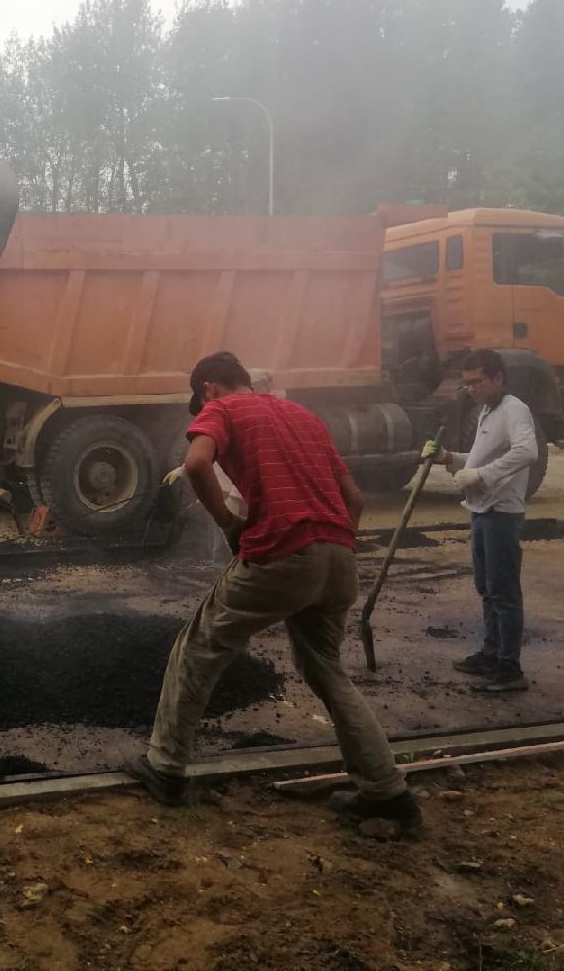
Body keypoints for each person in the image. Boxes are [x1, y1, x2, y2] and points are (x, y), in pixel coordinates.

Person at [124, 351, 419, 831]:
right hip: (338, 557)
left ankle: (165, 768)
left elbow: (196, 463)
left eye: (202, 399)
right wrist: (332, 546)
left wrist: (229, 523)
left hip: (282, 551)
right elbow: (355, 498)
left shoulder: (222, 408)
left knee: (197, 648)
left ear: (209, 389)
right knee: (328, 672)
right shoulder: (305, 416)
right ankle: (387, 791)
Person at [421, 349, 539, 693]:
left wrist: (482, 476)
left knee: (503, 592)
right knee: (487, 588)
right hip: (482, 510)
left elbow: (527, 452)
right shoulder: (488, 410)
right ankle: (491, 653)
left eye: (477, 382)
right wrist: (449, 458)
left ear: (498, 377)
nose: (470, 389)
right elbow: (476, 460)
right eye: (467, 383)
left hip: (502, 513)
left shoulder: (514, 409)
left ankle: (510, 668)